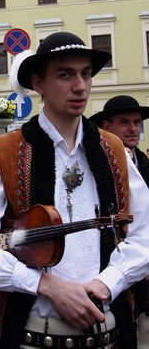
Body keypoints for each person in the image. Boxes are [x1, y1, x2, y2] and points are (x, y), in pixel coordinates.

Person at [0, 31, 149, 349]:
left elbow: (144, 233)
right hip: (32, 337)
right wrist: (44, 284)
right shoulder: (4, 152)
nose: (80, 86)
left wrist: (108, 281)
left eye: (85, 74)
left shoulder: (113, 150)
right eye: (65, 74)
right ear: (38, 83)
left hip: (110, 334)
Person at [89, 95, 149, 348]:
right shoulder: (99, 165)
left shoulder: (145, 164)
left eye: (137, 122)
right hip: (111, 271)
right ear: (107, 126)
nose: (133, 128)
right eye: (125, 122)